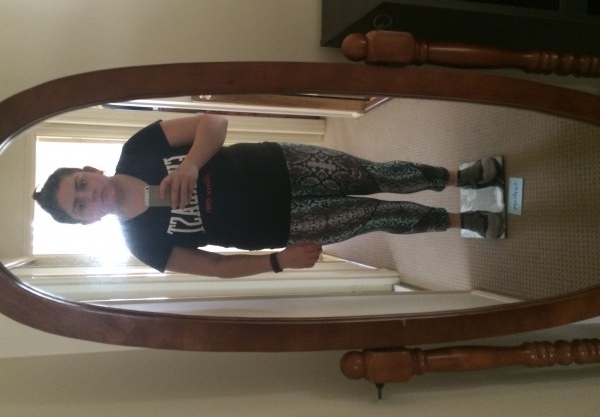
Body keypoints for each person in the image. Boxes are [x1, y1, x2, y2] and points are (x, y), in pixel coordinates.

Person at [33, 114, 504, 278]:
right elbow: (216, 267)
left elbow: (213, 123)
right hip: (282, 225)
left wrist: (192, 164)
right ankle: (464, 222)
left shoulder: (137, 150)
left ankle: (461, 178)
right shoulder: (142, 244)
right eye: (80, 206)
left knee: (371, 174)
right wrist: (279, 261)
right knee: (375, 215)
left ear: (89, 170)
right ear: (87, 222)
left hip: (279, 163)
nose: (90, 196)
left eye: (81, 185)